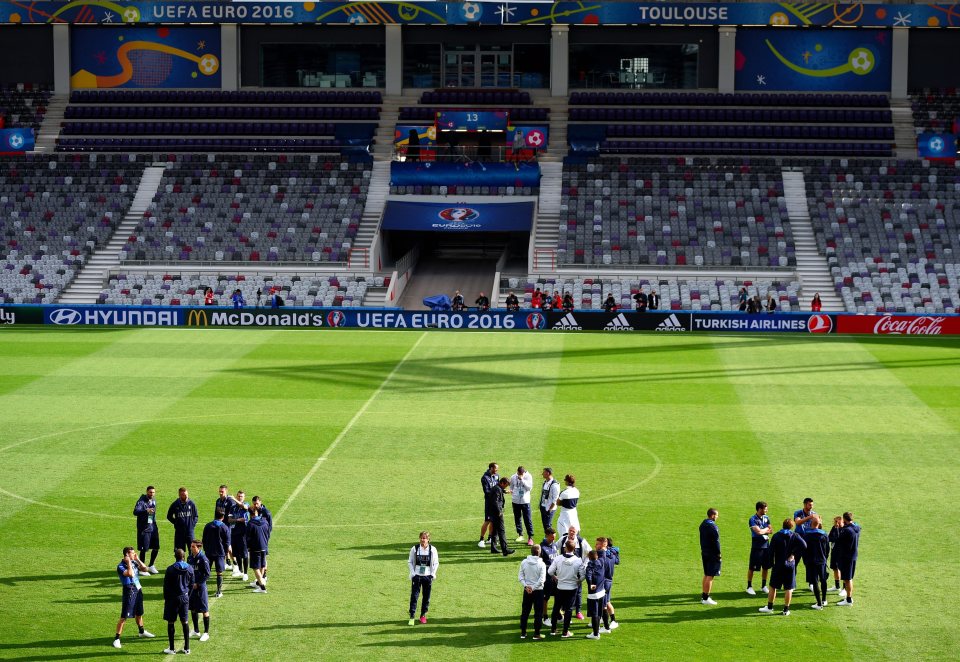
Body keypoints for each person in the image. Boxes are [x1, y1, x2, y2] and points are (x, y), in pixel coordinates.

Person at [759, 519, 807, 616]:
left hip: (779, 564)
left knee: (773, 586)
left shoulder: (776, 536)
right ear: (791, 527)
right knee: (789, 588)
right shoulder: (794, 535)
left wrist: (772, 564)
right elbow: (804, 545)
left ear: (783, 525)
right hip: (790, 565)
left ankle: (769, 607)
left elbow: (770, 552)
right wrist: (793, 553)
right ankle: (786, 610)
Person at [114, 547, 155, 649]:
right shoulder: (120, 566)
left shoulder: (134, 562)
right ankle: (117, 639)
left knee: (139, 613)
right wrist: (129, 563)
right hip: (129, 591)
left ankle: (141, 631)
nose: (134, 554)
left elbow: (145, 569)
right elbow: (130, 574)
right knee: (124, 616)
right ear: (127, 555)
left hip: (138, 589)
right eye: (132, 553)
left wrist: (137, 559)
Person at [547, 540, 586, 638]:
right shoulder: (578, 560)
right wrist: (578, 581)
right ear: (574, 549)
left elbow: (550, 571)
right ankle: (565, 632)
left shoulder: (558, 558)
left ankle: (553, 629)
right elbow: (583, 575)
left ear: (565, 548)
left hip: (560, 587)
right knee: (568, 610)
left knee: (556, 607)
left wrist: (555, 577)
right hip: (572, 588)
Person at [162, 548, 194, 655]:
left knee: (171, 622)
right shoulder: (189, 568)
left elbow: (166, 586)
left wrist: (166, 599)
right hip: (184, 598)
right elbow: (191, 584)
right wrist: (187, 596)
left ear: (175, 557)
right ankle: (187, 648)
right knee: (184, 621)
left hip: (172, 599)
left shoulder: (170, 569)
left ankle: (171, 649)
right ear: (184, 556)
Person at [560, 526, 591, 620]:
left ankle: (578, 611)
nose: (571, 533)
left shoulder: (581, 541)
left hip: (577, 570)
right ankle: (564, 609)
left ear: (576, 532)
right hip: (564, 570)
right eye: (570, 531)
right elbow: (555, 548)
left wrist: (584, 564)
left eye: (573, 531)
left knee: (578, 591)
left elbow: (590, 552)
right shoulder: (563, 539)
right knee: (564, 590)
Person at [408, 531, 439, 625]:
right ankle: (412, 616)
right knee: (414, 597)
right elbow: (410, 562)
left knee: (426, 597)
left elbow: (436, 563)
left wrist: (432, 574)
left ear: (428, 539)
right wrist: (413, 574)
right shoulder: (415, 549)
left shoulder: (432, 549)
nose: (422, 540)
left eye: (424, 538)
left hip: (427, 577)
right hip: (417, 577)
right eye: (421, 538)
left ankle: (423, 616)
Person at [518, 544, 547, 639]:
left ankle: (523, 633)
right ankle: (537, 634)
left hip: (527, 591)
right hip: (538, 591)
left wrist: (527, 587)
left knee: (525, 611)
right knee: (538, 613)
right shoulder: (541, 564)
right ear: (539, 553)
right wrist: (533, 588)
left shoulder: (524, 562)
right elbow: (542, 580)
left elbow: (520, 577)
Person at [801, 516, 830, 610]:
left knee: (815, 581)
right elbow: (827, 549)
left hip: (811, 561)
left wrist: (805, 560)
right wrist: (825, 558)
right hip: (821, 561)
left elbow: (804, 549)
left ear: (811, 524)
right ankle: (824, 600)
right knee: (823, 579)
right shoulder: (824, 534)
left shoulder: (807, 535)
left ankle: (819, 603)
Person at [201, 511, 231, 599]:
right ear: (223, 517)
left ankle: (203, 590)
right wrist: (225, 553)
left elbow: (204, 539)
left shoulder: (208, 525)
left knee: (206, 572)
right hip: (220, 553)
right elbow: (227, 542)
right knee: (219, 573)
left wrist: (206, 549)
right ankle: (218, 591)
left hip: (209, 552)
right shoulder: (224, 527)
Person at [834, 512, 860, 607]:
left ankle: (848, 599)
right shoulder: (856, 527)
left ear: (844, 519)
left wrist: (838, 528)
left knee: (847, 579)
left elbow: (838, 539)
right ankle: (848, 597)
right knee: (849, 578)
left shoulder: (847, 530)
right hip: (853, 556)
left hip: (847, 557)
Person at [187, 539, 211, 642]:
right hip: (192, 587)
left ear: (199, 547)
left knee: (204, 609)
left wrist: (198, 583)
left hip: (200, 588)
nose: (191, 548)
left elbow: (207, 574)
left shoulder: (203, 559)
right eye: (191, 546)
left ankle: (206, 632)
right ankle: (196, 630)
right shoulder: (189, 558)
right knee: (192, 608)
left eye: (193, 546)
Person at [133, 486, 160, 574]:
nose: (152, 494)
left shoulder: (153, 501)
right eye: (150, 492)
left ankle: (151, 565)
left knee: (156, 547)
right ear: (146, 492)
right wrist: (146, 510)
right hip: (144, 529)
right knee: (144, 549)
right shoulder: (141, 501)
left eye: (153, 492)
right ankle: (142, 568)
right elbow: (135, 512)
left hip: (152, 527)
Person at [747, 501, 772, 595]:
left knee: (766, 567)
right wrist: (765, 530)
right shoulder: (752, 519)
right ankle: (749, 586)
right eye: (765, 509)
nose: (766, 510)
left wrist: (763, 530)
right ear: (759, 509)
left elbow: (771, 530)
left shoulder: (767, 518)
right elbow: (758, 532)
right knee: (752, 567)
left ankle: (763, 586)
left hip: (766, 546)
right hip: (757, 546)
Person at [583, 550, 609, 640]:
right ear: (597, 556)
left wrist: (591, 585)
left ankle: (595, 634)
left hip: (594, 594)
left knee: (595, 614)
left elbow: (589, 576)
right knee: (599, 612)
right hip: (602, 592)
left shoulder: (589, 566)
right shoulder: (601, 561)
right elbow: (603, 554)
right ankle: (600, 630)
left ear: (589, 558)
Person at [487, 477, 516, 557]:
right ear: (502, 483)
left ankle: (493, 548)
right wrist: (499, 511)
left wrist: (505, 491)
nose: (506, 487)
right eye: (505, 485)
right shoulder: (497, 489)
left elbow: (499, 490)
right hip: (497, 513)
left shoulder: (497, 488)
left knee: (495, 531)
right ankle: (505, 550)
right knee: (501, 531)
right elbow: (495, 501)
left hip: (493, 513)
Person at [166, 487, 198, 559]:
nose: (186, 496)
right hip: (179, 532)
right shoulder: (175, 504)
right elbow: (169, 516)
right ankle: (180, 567)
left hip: (190, 532)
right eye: (184, 495)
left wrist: (192, 524)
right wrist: (176, 523)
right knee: (179, 551)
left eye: (186, 494)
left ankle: (191, 566)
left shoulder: (191, 503)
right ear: (180, 495)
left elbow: (196, 516)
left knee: (192, 550)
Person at [793, 498, 818, 588]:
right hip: (798, 541)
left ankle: (811, 583)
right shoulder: (798, 513)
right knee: (794, 562)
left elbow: (817, 526)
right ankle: (792, 583)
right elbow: (798, 522)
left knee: (809, 563)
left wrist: (819, 522)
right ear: (805, 505)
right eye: (809, 505)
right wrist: (809, 517)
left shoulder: (814, 514)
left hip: (809, 542)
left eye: (812, 505)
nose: (811, 507)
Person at [246, 503, 271, 593]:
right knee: (262, 564)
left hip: (255, 548)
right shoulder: (265, 521)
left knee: (255, 567)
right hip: (264, 546)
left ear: (250, 514)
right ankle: (259, 581)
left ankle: (262, 587)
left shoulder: (250, 524)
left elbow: (248, 537)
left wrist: (248, 547)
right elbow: (268, 533)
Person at [597, 536, 620, 629]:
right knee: (607, 602)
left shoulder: (603, 556)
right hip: (609, 580)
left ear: (603, 544)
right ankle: (610, 620)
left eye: (597, 544)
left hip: (604, 582)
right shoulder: (612, 553)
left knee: (603, 604)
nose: (595, 546)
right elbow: (617, 562)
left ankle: (607, 625)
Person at [699, 508, 721, 605]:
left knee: (706, 574)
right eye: (716, 515)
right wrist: (718, 553)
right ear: (712, 515)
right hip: (712, 554)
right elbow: (716, 542)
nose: (717, 517)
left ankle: (703, 596)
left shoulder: (703, 524)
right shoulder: (713, 527)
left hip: (705, 552)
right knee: (710, 575)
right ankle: (706, 598)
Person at [539, 528, 559, 628]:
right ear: (547, 535)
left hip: (556, 577)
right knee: (545, 598)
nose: (553, 539)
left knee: (557, 596)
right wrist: (550, 569)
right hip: (547, 578)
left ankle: (558, 614)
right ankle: (545, 617)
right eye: (552, 537)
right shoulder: (541, 548)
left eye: (554, 537)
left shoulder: (555, 545)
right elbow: (540, 564)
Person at [229, 490, 250, 581]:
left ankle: (245, 573)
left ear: (244, 497)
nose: (240, 498)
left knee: (244, 554)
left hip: (243, 534)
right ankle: (240, 570)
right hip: (234, 533)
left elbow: (244, 506)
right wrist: (238, 520)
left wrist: (233, 499)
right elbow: (229, 520)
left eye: (241, 496)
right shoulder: (233, 507)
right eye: (238, 496)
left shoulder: (247, 505)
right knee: (236, 553)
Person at [509, 466, 534, 545]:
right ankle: (520, 534)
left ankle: (530, 537)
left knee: (527, 519)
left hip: (525, 501)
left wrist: (522, 480)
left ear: (524, 472)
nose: (519, 475)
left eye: (521, 474)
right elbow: (511, 487)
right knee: (517, 518)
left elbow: (529, 488)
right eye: (518, 473)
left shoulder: (528, 476)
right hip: (515, 501)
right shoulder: (513, 477)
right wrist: (513, 494)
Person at [478, 462, 499, 548]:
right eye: (495, 468)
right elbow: (486, 492)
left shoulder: (497, 476)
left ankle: (490, 538)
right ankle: (481, 540)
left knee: (493, 521)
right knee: (487, 520)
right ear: (491, 468)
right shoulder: (485, 478)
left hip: (496, 502)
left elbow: (498, 487)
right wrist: (496, 493)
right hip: (489, 503)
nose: (497, 470)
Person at [251, 496, 272, 582]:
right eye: (254, 504)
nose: (256, 505)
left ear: (260, 502)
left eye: (257, 503)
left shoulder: (266, 512)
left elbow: (270, 527)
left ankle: (264, 576)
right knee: (262, 557)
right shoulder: (255, 511)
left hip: (264, 537)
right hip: (257, 537)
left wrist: (266, 537)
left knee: (263, 557)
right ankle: (261, 577)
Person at [539, 468, 560, 533]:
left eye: (544, 472)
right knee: (545, 525)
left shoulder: (555, 485)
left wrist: (550, 509)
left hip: (549, 508)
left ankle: (550, 540)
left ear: (548, 473)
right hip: (543, 506)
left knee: (548, 525)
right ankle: (547, 539)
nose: (542, 474)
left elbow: (555, 499)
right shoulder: (545, 482)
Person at [828, 515, 845, 597]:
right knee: (835, 568)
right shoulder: (834, 528)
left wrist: (837, 529)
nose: (836, 523)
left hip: (841, 552)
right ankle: (837, 586)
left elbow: (839, 538)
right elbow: (829, 538)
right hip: (834, 551)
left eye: (838, 522)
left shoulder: (844, 529)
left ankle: (844, 589)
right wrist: (835, 528)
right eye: (835, 521)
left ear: (842, 521)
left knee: (842, 570)